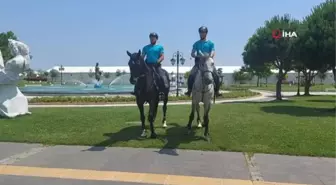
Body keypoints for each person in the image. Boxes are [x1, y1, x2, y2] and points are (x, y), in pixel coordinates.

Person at [184, 26, 222, 97]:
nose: (202, 34)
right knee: (191, 75)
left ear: (206, 33)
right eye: (200, 33)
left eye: (203, 33)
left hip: (208, 63)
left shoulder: (210, 43)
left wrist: (210, 56)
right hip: (199, 63)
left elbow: (213, 51)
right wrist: (195, 55)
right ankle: (189, 91)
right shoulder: (196, 43)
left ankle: (217, 91)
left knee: (216, 75)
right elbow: (192, 53)